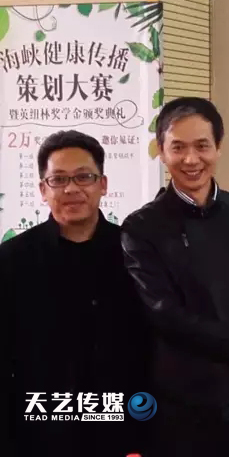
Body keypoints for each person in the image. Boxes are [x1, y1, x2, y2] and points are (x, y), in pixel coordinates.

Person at [120, 97, 229, 456]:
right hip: (181, 410)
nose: (191, 159)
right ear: (161, 152)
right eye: (178, 147)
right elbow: (166, 315)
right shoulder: (141, 227)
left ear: (219, 147)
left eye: (202, 146)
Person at [3, 130, 148, 457]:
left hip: (121, 429)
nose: (71, 189)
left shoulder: (137, 255)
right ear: (43, 189)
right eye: (58, 179)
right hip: (40, 433)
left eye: (84, 177)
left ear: (103, 184)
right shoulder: (12, 260)